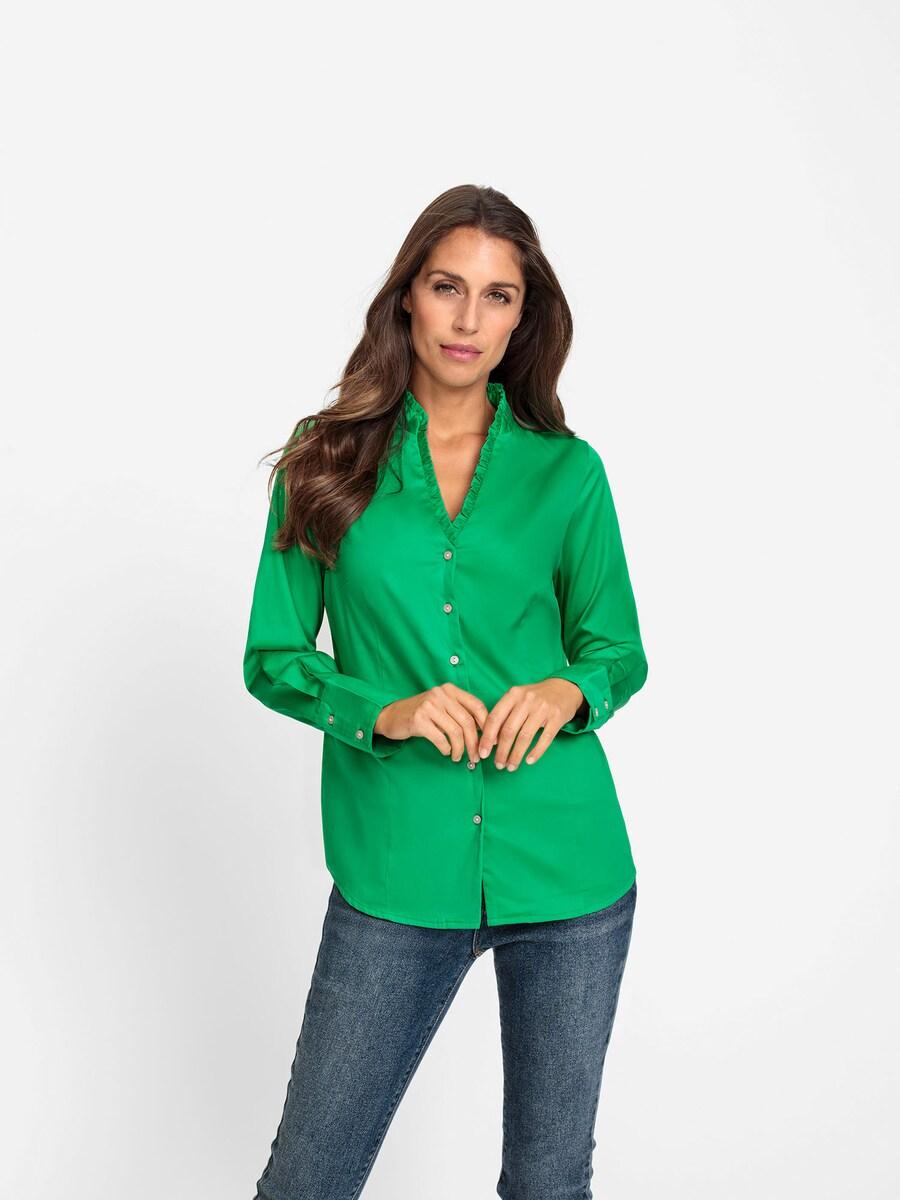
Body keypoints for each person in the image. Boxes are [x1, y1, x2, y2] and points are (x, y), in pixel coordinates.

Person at [242, 183, 648, 1200]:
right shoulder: (324, 460)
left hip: (568, 867)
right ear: (407, 298)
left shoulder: (568, 474)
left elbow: (617, 651)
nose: (468, 318)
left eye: (498, 295)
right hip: (397, 870)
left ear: (523, 318)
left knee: (549, 1184)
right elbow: (274, 656)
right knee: (308, 1181)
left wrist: (567, 693)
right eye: (446, 286)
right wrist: (384, 709)